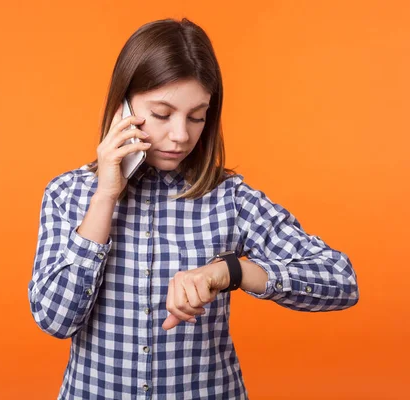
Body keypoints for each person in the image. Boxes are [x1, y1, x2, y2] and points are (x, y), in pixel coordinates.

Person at [28, 17, 359, 399]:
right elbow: (55, 319)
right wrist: (105, 196)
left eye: (197, 116)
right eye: (162, 114)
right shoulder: (66, 194)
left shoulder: (230, 199)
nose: (181, 135)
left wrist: (231, 271)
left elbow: (341, 280)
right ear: (122, 106)